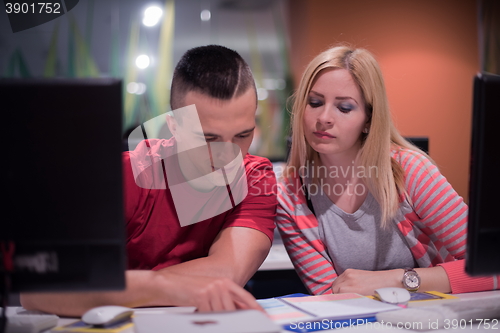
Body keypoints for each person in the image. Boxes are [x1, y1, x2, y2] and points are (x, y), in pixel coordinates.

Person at [20, 45, 277, 316]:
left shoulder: (255, 175)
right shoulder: (125, 176)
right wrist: (166, 287)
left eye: (242, 135)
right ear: (174, 126)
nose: (229, 156)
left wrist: (121, 288)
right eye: (208, 138)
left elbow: (226, 273)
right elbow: (40, 289)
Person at [276, 45, 498, 296]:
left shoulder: (409, 171)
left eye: (344, 107)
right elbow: (332, 297)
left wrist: (396, 279)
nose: (324, 117)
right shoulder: (290, 196)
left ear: (369, 120)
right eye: (314, 102)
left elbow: (493, 266)